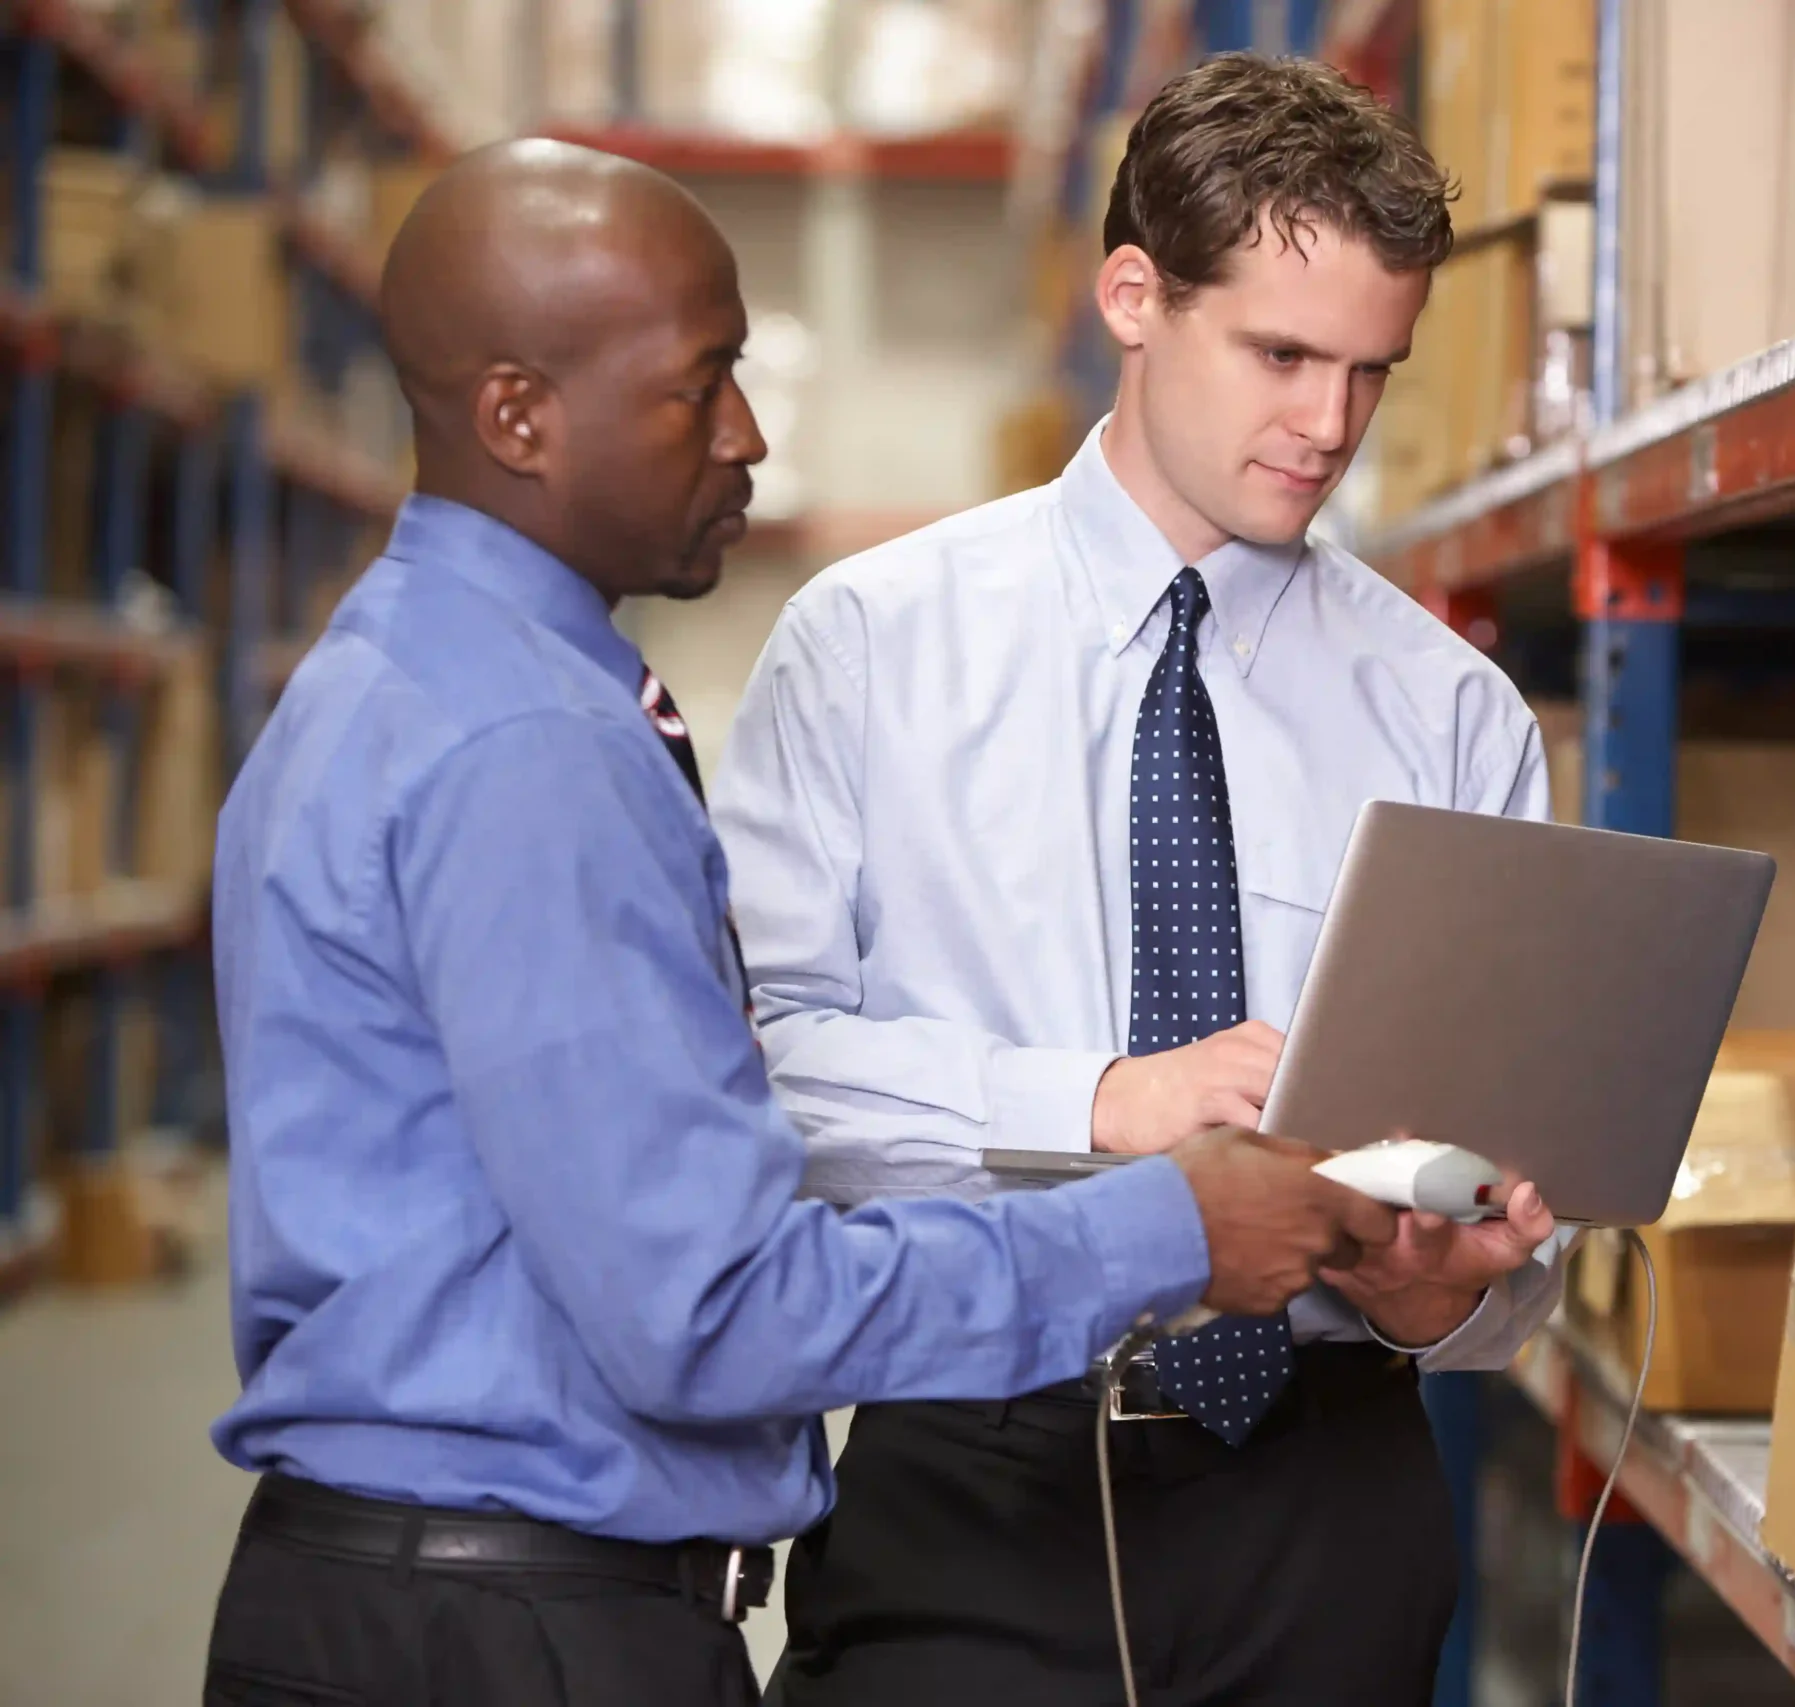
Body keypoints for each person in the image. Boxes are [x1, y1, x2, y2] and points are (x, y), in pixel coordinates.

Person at [201, 139, 1399, 1707]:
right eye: (700, 386)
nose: (748, 435)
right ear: (517, 416)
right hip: (506, 1633)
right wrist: (1173, 1219)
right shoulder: (530, 751)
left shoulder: (400, 679)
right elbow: (708, 1308)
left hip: (433, 1601)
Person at [713, 54, 1568, 1705]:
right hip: (975, 1464)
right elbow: (757, 1069)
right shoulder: (876, 646)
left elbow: (1502, 1209)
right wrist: (1097, 1100)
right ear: (1132, 296)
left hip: (1328, 1497)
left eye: (1372, 371)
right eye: (1281, 354)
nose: (1329, 424)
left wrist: (1428, 1294)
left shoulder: (1450, 709)